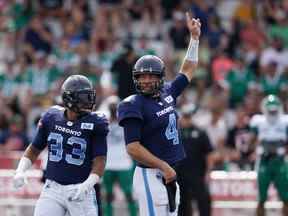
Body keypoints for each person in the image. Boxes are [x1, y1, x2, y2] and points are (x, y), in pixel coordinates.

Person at [117, 13, 201, 216]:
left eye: (150, 76)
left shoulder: (168, 93)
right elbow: (133, 148)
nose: (145, 80)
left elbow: (188, 69)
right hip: (151, 174)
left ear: (160, 77)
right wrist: (163, 166)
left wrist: (195, 39)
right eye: (141, 76)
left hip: (170, 172)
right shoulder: (132, 104)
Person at [13, 75, 109, 216]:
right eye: (83, 97)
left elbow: (100, 160)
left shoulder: (96, 123)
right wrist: (20, 170)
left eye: (89, 96)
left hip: (80, 189)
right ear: (68, 99)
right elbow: (33, 149)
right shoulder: (51, 117)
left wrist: (87, 185)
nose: (88, 101)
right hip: (53, 188)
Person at [250, 95, 288, 216]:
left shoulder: (285, 121)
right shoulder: (258, 121)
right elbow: (252, 140)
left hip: (280, 161)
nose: (272, 112)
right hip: (264, 161)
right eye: (270, 110)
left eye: (274, 110)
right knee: (261, 198)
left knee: (286, 197)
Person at [103, 96, 137, 216]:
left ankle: (134, 214)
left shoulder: (126, 122)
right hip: (108, 164)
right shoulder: (103, 122)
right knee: (107, 195)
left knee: (129, 194)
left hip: (124, 164)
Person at [177, 104, 214, 216]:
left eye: (189, 116)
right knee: (182, 202)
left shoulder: (201, 133)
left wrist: (208, 172)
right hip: (180, 173)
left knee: (203, 200)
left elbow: (209, 154)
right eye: (185, 116)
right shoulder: (176, 133)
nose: (186, 119)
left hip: (197, 173)